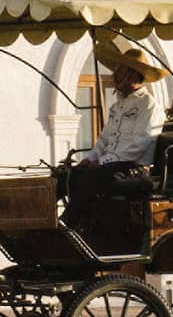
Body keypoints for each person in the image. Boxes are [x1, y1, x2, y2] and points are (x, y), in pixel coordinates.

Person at [64, 37, 165, 211]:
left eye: (120, 71)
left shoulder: (149, 105)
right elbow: (103, 140)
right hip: (110, 167)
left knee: (93, 178)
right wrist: (90, 159)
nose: (114, 75)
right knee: (66, 175)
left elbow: (138, 145)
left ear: (133, 74)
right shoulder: (117, 106)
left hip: (134, 169)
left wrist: (103, 161)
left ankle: (71, 224)